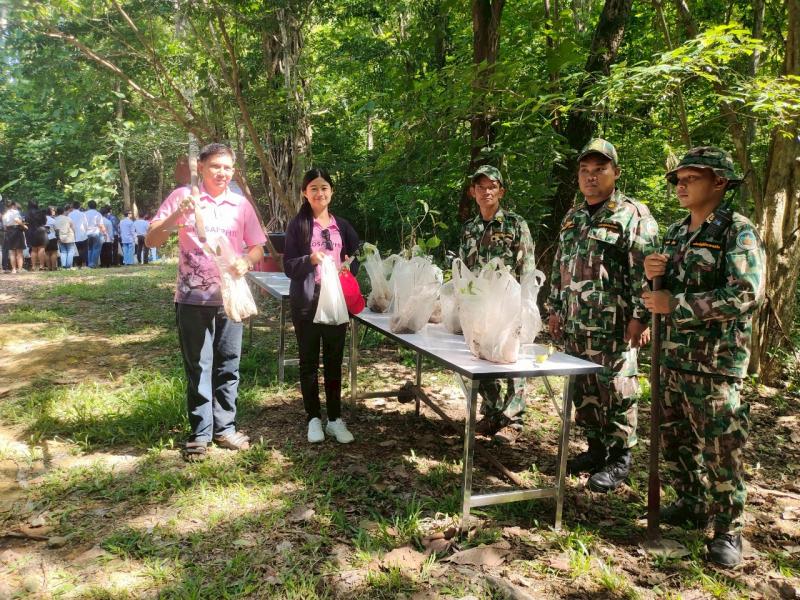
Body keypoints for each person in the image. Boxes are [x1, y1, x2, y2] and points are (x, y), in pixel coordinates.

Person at [642, 147, 765, 568]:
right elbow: (662, 291)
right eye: (678, 179)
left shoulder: (737, 231)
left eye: (690, 178)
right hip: (672, 357)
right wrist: (652, 274)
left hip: (715, 362)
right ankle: (692, 502)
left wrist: (675, 304)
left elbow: (746, 293)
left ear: (719, 182)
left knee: (720, 447)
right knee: (675, 438)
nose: (681, 185)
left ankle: (728, 528)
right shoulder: (677, 232)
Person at [545, 139, 659, 492]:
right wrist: (554, 309)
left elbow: (646, 272)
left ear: (616, 172)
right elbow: (560, 266)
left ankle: (620, 458)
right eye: (585, 170)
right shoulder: (573, 216)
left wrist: (641, 317)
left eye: (599, 170)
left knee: (618, 391)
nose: (591, 177)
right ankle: (595, 450)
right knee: (585, 392)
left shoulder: (633, 214)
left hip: (615, 327)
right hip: (576, 324)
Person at [146, 143, 265, 462]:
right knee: (199, 365)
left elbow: (257, 246)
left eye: (228, 167)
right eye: (216, 166)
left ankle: (225, 428)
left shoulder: (240, 204)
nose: (222, 173)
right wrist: (179, 214)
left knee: (229, 364)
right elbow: (152, 239)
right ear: (201, 167)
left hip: (230, 299)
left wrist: (246, 261)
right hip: (191, 298)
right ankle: (200, 433)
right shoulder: (183, 197)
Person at [457, 165, 535, 445]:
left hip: (509, 304)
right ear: (472, 192)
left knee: (511, 360)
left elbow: (527, 267)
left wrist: (527, 305)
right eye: (481, 186)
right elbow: (464, 269)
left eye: (492, 186)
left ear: (501, 191)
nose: (486, 191)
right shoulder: (470, 228)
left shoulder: (515, 224)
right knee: (482, 355)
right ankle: (492, 412)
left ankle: (513, 420)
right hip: (479, 305)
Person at [284, 168, 360, 444]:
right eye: (313, 188)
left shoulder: (342, 226)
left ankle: (335, 419)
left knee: (333, 361)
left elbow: (356, 255)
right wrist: (310, 260)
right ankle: (313, 418)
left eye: (324, 187)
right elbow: (289, 266)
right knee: (308, 362)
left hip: (335, 300)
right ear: (305, 193)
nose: (319, 193)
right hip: (307, 301)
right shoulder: (299, 226)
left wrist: (348, 269)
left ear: (332, 191)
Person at [2, 201, 26, 273]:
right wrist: (24, 225)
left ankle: (14, 269)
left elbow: (5, 226)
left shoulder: (5, 214)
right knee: (19, 251)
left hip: (8, 231)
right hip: (16, 231)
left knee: (12, 252)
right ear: (13, 206)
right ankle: (20, 269)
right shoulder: (15, 212)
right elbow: (16, 220)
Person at [25, 201, 47, 272]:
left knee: (33, 249)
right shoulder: (40, 212)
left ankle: (33, 266)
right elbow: (44, 222)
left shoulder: (27, 213)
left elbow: (26, 222)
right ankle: (41, 266)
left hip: (31, 232)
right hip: (40, 231)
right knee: (41, 248)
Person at [84, 200, 106, 268]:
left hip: (87, 233)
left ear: (88, 206)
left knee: (89, 249)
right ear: (96, 206)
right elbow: (101, 225)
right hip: (96, 232)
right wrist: (104, 233)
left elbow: (83, 224)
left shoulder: (84, 214)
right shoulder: (98, 214)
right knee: (96, 249)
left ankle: (89, 263)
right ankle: (93, 264)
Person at [70, 201, 89, 268]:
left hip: (74, 235)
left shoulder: (70, 215)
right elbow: (86, 224)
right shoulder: (83, 214)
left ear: (72, 206)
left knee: (75, 250)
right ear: (79, 206)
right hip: (82, 234)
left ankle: (76, 264)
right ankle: (84, 264)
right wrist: (85, 231)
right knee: (84, 250)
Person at [44, 206, 59, 271]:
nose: (54, 211)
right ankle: (54, 267)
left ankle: (49, 267)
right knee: (54, 252)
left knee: (46, 253)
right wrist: (58, 237)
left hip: (44, 238)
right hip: (52, 237)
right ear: (50, 212)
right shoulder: (53, 220)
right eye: (53, 210)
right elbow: (57, 230)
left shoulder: (42, 220)